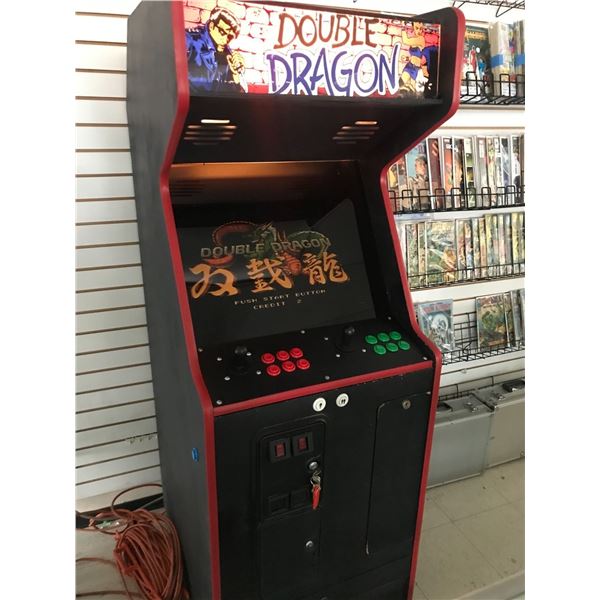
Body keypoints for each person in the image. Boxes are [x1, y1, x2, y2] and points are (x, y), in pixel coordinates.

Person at [186, 6, 246, 93]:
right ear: (211, 26)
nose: (225, 40)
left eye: (230, 37)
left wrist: (236, 75)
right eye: (222, 32)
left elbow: (237, 95)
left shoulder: (228, 55)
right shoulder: (190, 40)